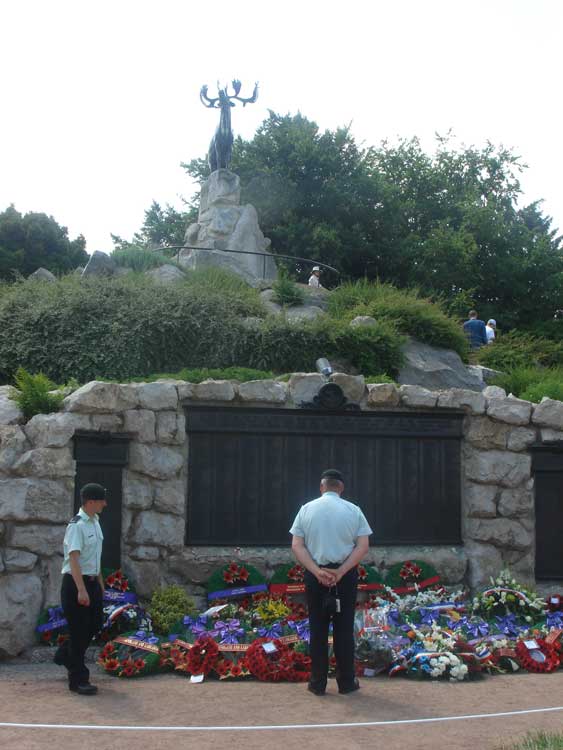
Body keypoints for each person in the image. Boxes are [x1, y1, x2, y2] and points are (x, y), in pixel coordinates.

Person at [290, 469, 372, 696]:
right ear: (341, 488)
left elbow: (297, 545)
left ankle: (317, 683)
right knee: (344, 628)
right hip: (344, 577)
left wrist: (317, 572)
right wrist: (343, 571)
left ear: (321, 486)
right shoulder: (354, 510)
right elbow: (363, 545)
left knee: (317, 628)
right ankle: (346, 682)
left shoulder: (306, 509)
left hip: (316, 575)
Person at [54, 483, 107, 695]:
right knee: (78, 632)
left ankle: (66, 655)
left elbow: (95, 557)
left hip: (93, 582)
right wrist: (81, 589)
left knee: (95, 625)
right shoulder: (76, 525)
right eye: (102, 500)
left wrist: (100, 583)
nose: (105, 503)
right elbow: (73, 558)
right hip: (76, 583)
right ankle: (78, 680)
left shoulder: (95, 522)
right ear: (91, 502)